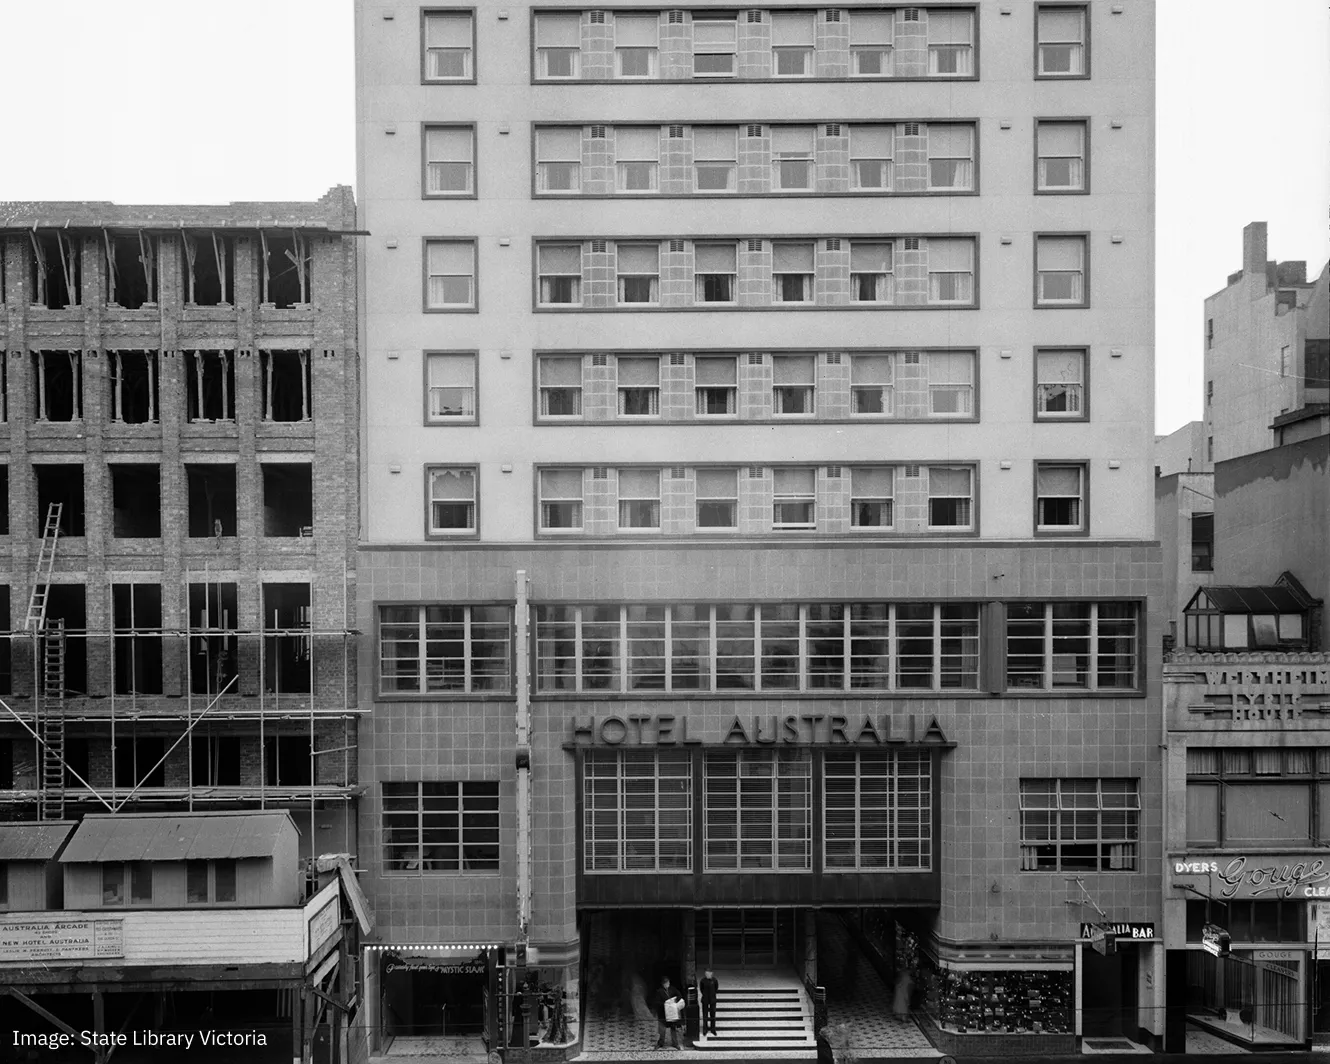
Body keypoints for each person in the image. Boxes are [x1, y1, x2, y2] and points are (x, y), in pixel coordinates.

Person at [650, 975, 681, 1050]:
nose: (667, 984)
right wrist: (665, 1003)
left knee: (673, 1029)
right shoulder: (659, 991)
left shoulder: (672, 989)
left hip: (671, 1014)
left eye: (668, 983)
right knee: (662, 1030)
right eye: (665, 983)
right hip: (663, 1014)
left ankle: (675, 1043)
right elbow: (656, 1002)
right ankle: (661, 1043)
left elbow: (679, 995)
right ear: (663, 984)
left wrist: (675, 1000)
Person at [699, 969, 719, 1037]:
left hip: (712, 999)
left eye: (708, 974)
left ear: (711, 974)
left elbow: (716, 988)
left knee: (713, 1014)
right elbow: (701, 989)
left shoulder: (714, 980)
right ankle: (705, 1029)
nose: (707, 975)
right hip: (705, 1000)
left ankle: (713, 1029)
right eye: (706, 974)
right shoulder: (702, 981)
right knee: (705, 1015)